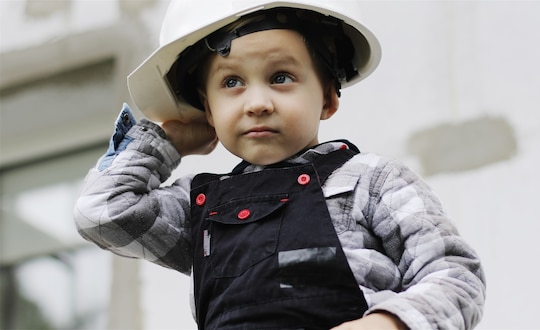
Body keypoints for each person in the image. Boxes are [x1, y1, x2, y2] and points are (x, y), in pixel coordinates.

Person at [74, 0, 486, 329]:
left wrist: (389, 323)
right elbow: (104, 212)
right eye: (231, 83)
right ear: (208, 110)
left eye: (281, 77)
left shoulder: (372, 181)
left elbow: (455, 276)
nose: (257, 103)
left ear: (327, 98)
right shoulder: (200, 207)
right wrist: (167, 140)